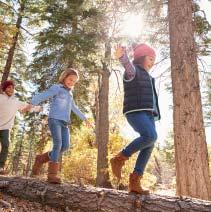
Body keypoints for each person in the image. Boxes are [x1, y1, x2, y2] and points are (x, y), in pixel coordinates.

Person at [110, 44, 161, 194]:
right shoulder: (134, 71)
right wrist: (122, 57)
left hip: (148, 114)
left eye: (154, 60)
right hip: (135, 111)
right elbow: (127, 66)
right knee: (150, 136)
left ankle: (135, 182)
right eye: (150, 58)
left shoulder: (149, 77)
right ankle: (119, 158)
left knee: (149, 143)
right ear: (140, 58)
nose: (152, 62)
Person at [30, 68, 91, 184]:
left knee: (65, 146)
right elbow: (45, 95)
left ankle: (41, 158)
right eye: (70, 79)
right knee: (58, 144)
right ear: (64, 77)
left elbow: (74, 108)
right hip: (54, 119)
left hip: (64, 123)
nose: (71, 82)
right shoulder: (57, 88)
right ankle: (52, 175)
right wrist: (32, 103)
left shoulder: (70, 94)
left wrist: (84, 118)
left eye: (74, 81)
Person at [0, 80, 31, 175]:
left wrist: (38, 108)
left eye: (13, 88)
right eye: (9, 87)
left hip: (5, 128)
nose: (11, 89)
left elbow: (27, 107)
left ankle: (0, 166)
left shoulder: (16, 102)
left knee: (6, 144)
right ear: (4, 88)